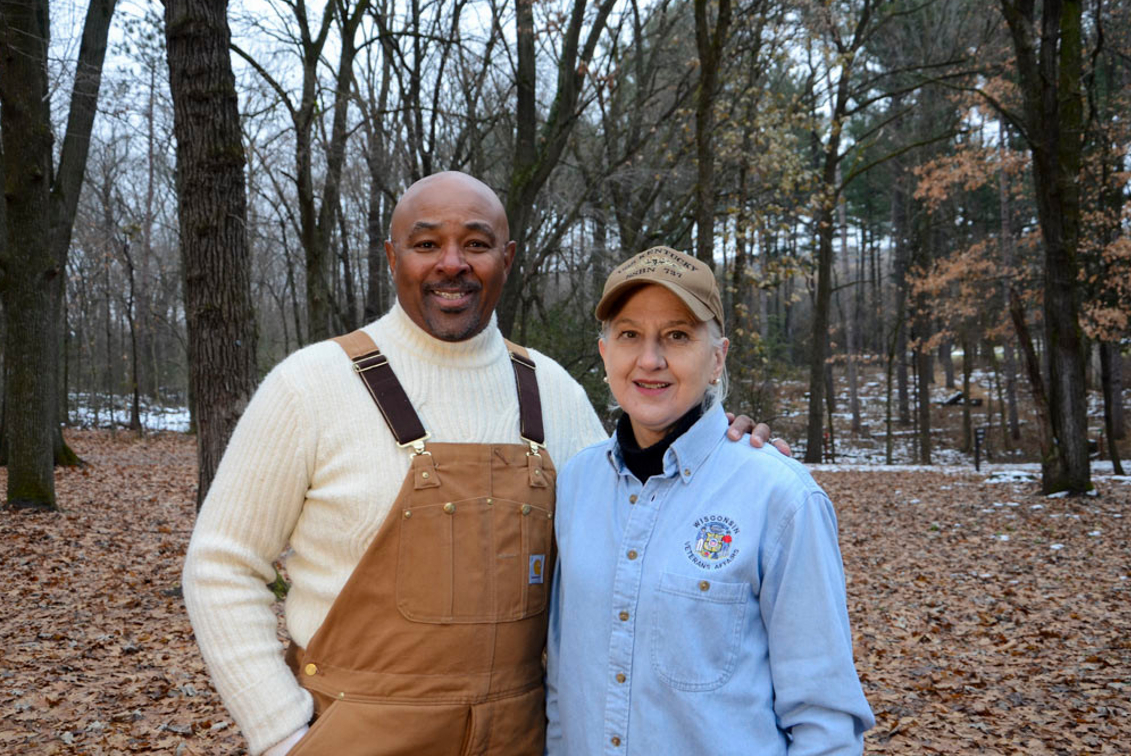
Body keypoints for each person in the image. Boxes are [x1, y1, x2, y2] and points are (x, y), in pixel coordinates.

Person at [182, 172, 786, 756]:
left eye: (475, 243)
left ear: (508, 258)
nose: (452, 263)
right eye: (426, 244)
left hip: (520, 738)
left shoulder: (553, 392)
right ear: (393, 257)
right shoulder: (309, 387)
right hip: (349, 732)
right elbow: (221, 565)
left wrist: (720, 453)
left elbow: (636, 525)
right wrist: (282, 732)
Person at [545, 246, 874, 755]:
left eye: (677, 335)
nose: (650, 360)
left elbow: (825, 719)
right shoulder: (576, 486)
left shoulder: (780, 499)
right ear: (605, 351)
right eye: (630, 334)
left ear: (717, 356)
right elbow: (564, 687)